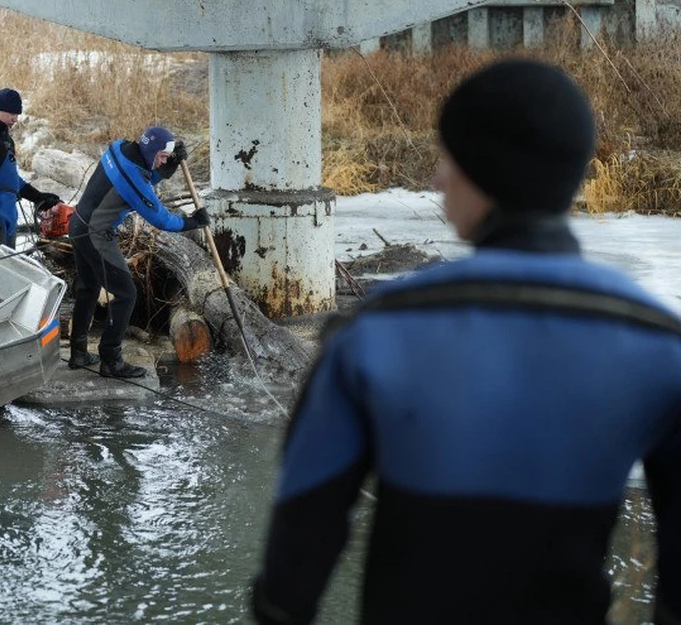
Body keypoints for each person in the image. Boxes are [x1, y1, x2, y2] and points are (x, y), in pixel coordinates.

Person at [251, 59, 680, 624]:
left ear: (479, 172)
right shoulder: (658, 346)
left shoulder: (375, 333)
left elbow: (298, 550)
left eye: (446, 158)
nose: (435, 179)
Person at [67, 125, 210, 378]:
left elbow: (141, 176)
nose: (164, 161)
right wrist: (193, 222)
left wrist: (169, 166)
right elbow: (161, 220)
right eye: (163, 156)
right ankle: (110, 360)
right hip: (95, 235)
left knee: (87, 288)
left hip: (78, 222)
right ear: (152, 150)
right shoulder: (132, 177)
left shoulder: (119, 147)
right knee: (126, 294)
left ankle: (78, 352)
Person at [0, 87, 63, 248]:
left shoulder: (4, 138)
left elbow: (9, 177)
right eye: (11, 113)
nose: (15, 119)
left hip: (8, 211)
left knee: (9, 265)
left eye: (17, 115)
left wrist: (39, 197)